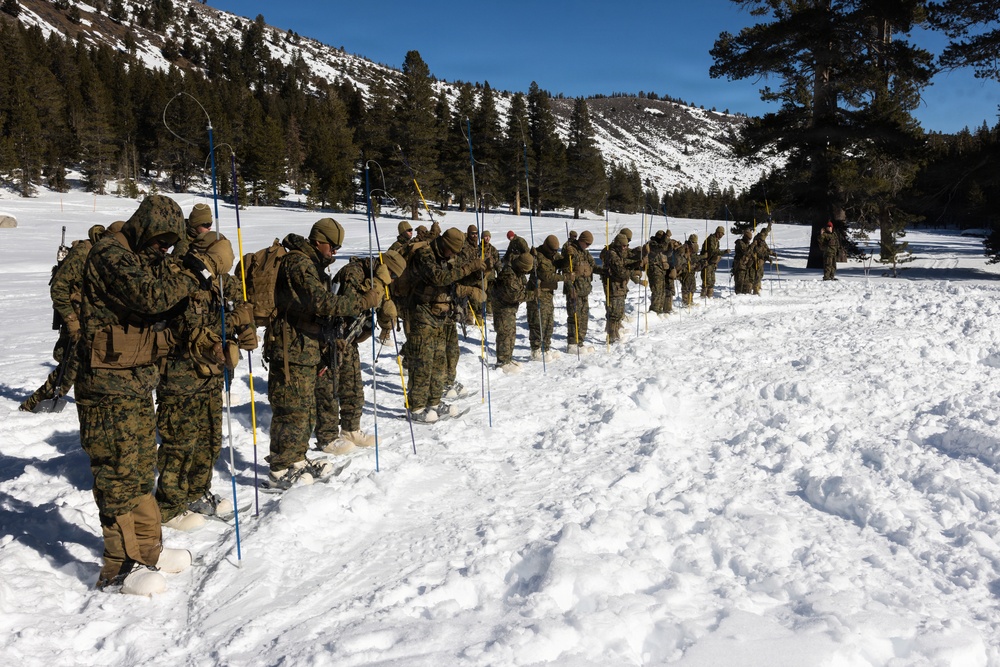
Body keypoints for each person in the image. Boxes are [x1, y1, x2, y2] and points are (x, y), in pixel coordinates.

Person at [77, 195, 204, 594]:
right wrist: (190, 276)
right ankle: (119, 566)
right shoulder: (109, 255)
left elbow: (171, 292)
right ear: (143, 227)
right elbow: (151, 297)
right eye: (158, 240)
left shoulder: (148, 258)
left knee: (139, 466)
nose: (162, 249)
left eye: (169, 242)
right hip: (105, 388)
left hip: (134, 382)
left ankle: (147, 549)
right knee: (116, 473)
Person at [263, 219, 384, 490]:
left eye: (338, 247)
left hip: (306, 346)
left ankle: (296, 460)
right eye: (332, 246)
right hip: (290, 346)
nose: (335, 252)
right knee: (290, 410)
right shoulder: (299, 263)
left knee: (304, 409)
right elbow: (321, 302)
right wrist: (362, 301)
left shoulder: (312, 264)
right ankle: (280, 470)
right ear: (318, 241)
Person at [154, 232, 257, 530]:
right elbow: (189, 328)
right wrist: (233, 323)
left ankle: (196, 492)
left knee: (209, 439)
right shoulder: (179, 277)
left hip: (209, 376)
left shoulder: (216, 283)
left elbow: (221, 321)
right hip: (180, 378)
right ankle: (170, 506)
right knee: (180, 443)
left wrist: (240, 328)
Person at [315, 250, 405, 455]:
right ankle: (327, 436)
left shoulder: (376, 280)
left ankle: (350, 429)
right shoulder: (353, 273)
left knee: (353, 386)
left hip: (350, 340)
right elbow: (349, 304)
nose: (392, 280)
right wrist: (376, 289)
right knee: (329, 388)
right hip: (333, 338)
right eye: (392, 275)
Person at [20, 224, 108, 413]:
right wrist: (71, 322)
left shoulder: (106, 254)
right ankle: (33, 406)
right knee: (70, 364)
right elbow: (58, 288)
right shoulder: (83, 254)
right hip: (77, 320)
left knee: (84, 364)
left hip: (92, 320)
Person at [404, 227, 484, 422]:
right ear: (444, 245)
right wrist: (470, 267)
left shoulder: (445, 257)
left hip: (440, 313)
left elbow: (452, 282)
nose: (454, 256)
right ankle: (416, 407)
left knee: (439, 362)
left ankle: (433, 402)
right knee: (422, 362)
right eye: (453, 251)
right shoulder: (425, 254)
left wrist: (479, 272)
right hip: (421, 312)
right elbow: (438, 277)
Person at [491, 252, 534, 370]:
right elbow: (515, 295)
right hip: (502, 308)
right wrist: (532, 295)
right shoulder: (508, 275)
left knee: (511, 334)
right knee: (504, 334)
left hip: (509, 309)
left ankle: (508, 358)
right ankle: (502, 362)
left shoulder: (517, 272)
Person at [526, 235, 562, 360]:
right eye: (552, 250)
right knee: (537, 322)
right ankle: (535, 350)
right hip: (537, 294)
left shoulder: (554, 256)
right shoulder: (538, 256)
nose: (554, 253)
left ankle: (545, 348)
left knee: (548, 323)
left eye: (556, 251)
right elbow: (547, 276)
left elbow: (562, 262)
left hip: (548, 294)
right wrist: (565, 277)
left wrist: (569, 256)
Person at [597, 232, 638, 343]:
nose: (625, 248)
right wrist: (632, 268)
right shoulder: (612, 254)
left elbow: (625, 260)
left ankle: (616, 330)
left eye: (626, 246)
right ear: (618, 244)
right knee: (613, 312)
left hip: (620, 286)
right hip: (613, 286)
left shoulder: (620, 253)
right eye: (624, 246)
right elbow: (621, 272)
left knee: (619, 311)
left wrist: (636, 262)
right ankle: (611, 335)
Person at [560, 230, 596, 351]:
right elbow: (566, 272)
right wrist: (571, 289)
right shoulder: (571, 252)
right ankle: (572, 343)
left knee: (584, 317)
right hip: (574, 291)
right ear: (581, 241)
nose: (588, 246)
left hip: (584, 290)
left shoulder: (585, 253)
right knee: (574, 316)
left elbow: (593, 266)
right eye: (587, 244)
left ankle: (580, 342)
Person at [645, 230, 671, 316]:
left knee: (661, 291)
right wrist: (666, 238)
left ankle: (659, 309)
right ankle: (654, 311)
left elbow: (668, 252)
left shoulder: (660, 244)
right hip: (654, 270)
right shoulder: (652, 243)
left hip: (660, 271)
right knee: (657, 291)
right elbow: (661, 248)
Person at [700, 226, 730, 298]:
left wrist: (716, 263)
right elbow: (713, 251)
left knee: (712, 281)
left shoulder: (717, 241)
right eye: (721, 234)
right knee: (706, 281)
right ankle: (703, 297)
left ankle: (709, 297)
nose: (722, 236)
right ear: (718, 233)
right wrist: (724, 252)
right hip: (706, 262)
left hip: (712, 263)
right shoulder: (711, 239)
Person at [676, 234, 703, 306]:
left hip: (691, 270)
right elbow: (680, 259)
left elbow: (694, 257)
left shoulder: (693, 248)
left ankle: (690, 300)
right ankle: (685, 302)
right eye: (694, 242)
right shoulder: (684, 248)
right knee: (686, 287)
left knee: (692, 286)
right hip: (685, 270)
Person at [750, 225, 775, 295]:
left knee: (760, 274)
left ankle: (758, 286)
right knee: (757, 275)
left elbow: (766, 249)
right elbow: (759, 253)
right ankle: (755, 289)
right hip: (756, 261)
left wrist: (772, 253)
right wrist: (768, 257)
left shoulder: (763, 241)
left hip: (761, 261)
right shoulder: (757, 242)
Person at [733, 229, 754, 294]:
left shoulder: (747, 244)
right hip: (740, 266)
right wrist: (752, 245)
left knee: (746, 283)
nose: (749, 240)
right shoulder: (740, 243)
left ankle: (745, 296)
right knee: (740, 282)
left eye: (750, 239)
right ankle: (738, 295)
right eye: (748, 238)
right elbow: (745, 252)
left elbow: (750, 253)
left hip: (746, 266)